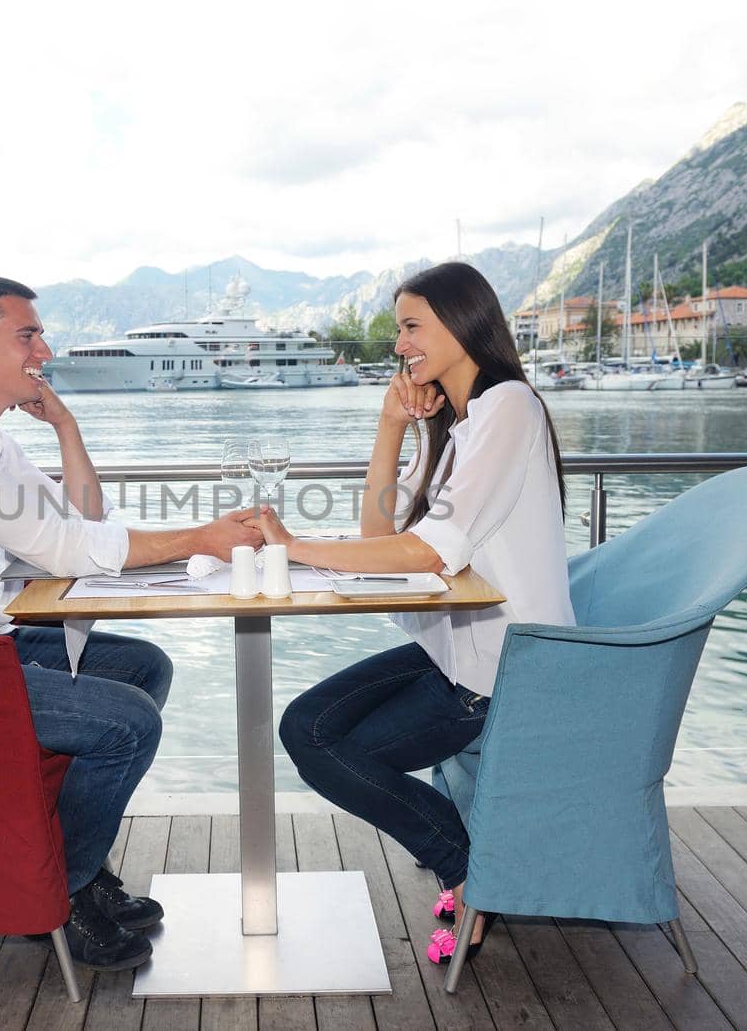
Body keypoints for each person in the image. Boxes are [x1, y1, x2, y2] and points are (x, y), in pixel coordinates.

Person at [0, 276, 261, 972]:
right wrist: (198, 538)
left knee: (144, 667)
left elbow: (80, 525)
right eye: (27, 334)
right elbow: (62, 549)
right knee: (130, 721)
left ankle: (69, 869)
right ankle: (61, 890)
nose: (45, 348)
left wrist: (66, 426)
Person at [246, 261, 573, 967]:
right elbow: (379, 542)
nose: (400, 345)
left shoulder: (510, 406)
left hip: (501, 668)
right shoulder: (468, 424)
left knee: (324, 746)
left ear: (461, 323)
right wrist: (391, 425)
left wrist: (296, 546)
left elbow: (430, 553)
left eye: (411, 326)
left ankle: (464, 865)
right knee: (306, 727)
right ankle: (468, 856)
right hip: (453, 652)